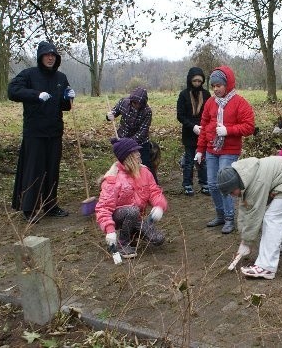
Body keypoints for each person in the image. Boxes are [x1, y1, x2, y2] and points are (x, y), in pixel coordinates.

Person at [8, 40, 75, 223]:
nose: (50, 58)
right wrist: (35, 95)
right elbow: (12, 91)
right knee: (34, 170)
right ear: (40, 57)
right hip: (34, 132)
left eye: (53, 55)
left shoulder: (61, 78)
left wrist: (67, 98)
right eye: (47, 55)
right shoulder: (29, 75)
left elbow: (64, 106)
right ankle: (29, 208)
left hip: (54, 131)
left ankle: (50, 204)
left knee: (52, 169)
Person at [217, 156, 282, 279]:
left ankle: (266, 267)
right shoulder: (244, 176)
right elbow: (245, 209)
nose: (232, 196)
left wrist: (247, 242)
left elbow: (254, 215)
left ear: (236, 184)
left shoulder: (256, 183)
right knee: (279, 215)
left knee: (272, 218)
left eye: (231, 192)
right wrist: (244, 239)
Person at [195, 66, 255, 234]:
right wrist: (200, 150)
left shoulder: (239, 102)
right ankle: (220, 215)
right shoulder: (210, 103)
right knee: (212, 185)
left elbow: (249, 126)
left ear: (227, 84)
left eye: (219, 85)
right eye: (213, 86)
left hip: (229, 150)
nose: (216, 89)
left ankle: (229, 218)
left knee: (224, 184)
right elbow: (205, 126)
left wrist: (228, 130)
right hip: (211, 149)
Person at [95, 137, 168, 259]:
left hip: (137, 216)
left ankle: (133, 233)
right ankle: (122, 244)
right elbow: (103, 207)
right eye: (135, 152)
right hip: (120, 216)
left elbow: (154, 191)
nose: (139, 154)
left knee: (158, 239)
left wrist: (159, 205)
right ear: (127, 157)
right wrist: (110, 230)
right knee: (131, 211)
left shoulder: (145, 172)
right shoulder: (112, 179)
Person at [106, 87, 156, 181]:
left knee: (145, 164)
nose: (136, 105)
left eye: (139, 104)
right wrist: (110, 115)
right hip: (123, 138)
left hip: (140, 142)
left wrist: (129, 144)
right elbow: (114, 112)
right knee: (123, 165)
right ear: (131, 100)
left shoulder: (147, 111)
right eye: (134, 103)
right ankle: (126, 184)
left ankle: (153, 185)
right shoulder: (123, 102)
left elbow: (143, 131)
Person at [176, 67, 211, 196]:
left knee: (202, 159)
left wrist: (203, 127)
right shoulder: (184, 94)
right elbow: (180, 115)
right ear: (190, 80)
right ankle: (187, 184)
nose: (197, 83)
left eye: (199, 81)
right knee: (189, 159)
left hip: (203, 131)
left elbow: (210, 113)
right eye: (195, 81)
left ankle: (204, 183)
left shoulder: (206, 94)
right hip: (189, 132)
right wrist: (192, 126)